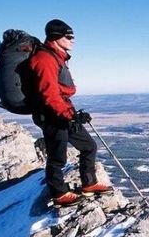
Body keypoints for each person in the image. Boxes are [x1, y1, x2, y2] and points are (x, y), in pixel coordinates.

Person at [29, 19, 112, 207]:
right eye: (69, 36)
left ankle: (89, 184)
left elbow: (58, 92)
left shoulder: (57, 56)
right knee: (57, 156)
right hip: (51, 114)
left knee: (89, 146)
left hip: (64, 111)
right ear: (56, 37)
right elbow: (49, 94)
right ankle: (58, 194)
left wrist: (73, 114)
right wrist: (69, 115)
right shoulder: (45, 59)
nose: (73, 40)